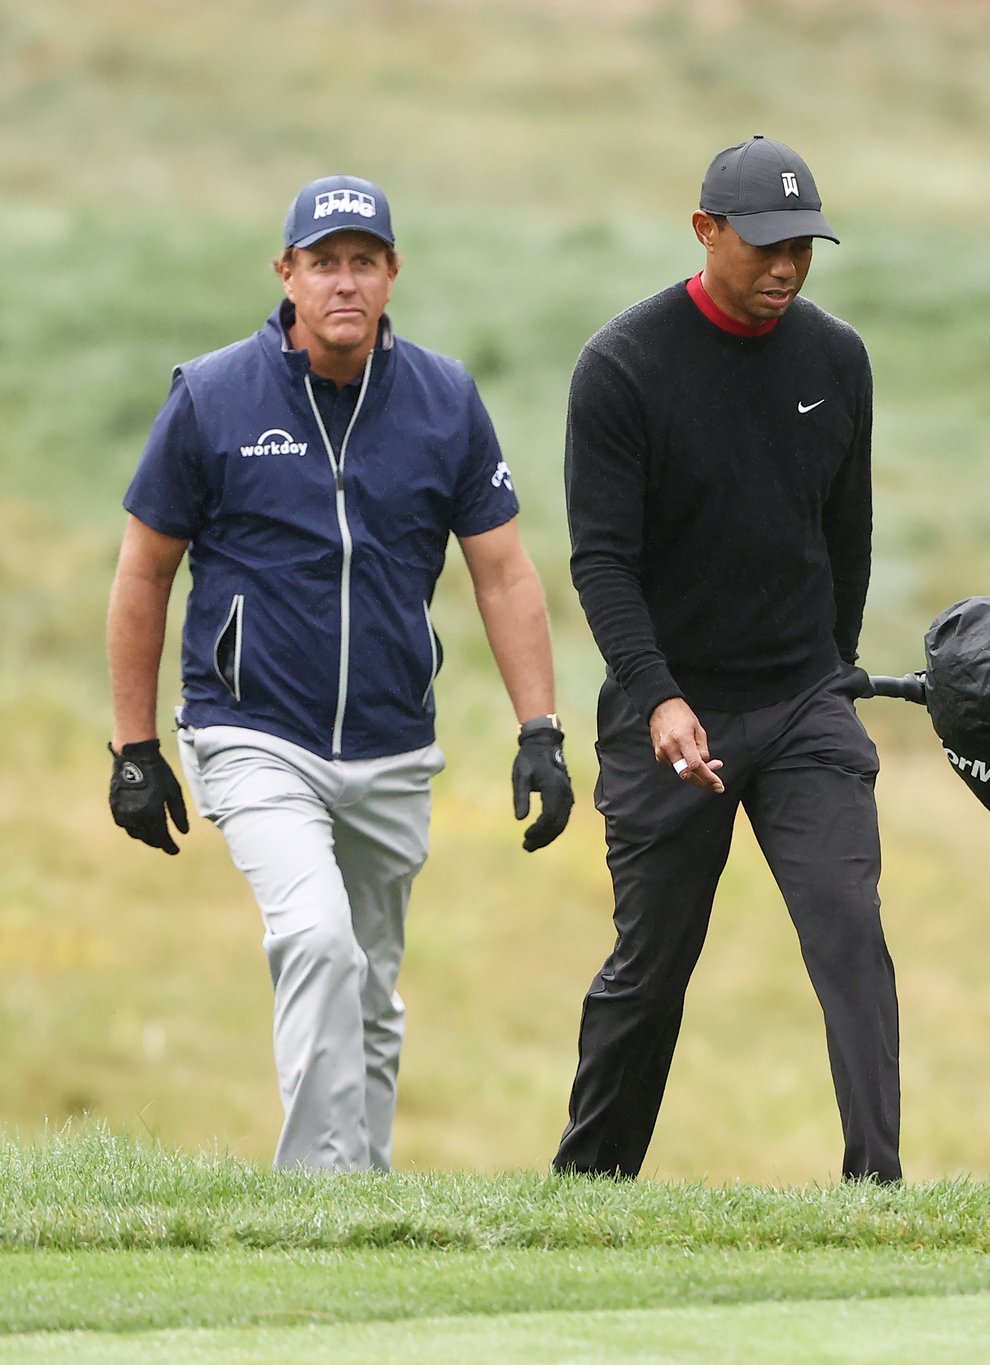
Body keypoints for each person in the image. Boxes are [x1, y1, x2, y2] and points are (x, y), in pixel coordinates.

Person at [105, 174, 573, 1172]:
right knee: (316, 939)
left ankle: (358, 1196)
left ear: (393, 275)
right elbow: (143, 572)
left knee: (367, 986)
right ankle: (315, 1200)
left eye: (364, 262)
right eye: (324, 264)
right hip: (252, 730)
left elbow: (503, 572)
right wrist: (135, 747)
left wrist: (540, 731)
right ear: (287, 275)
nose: (344, 284)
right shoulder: (213, 396)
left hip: (392, 742)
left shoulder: (444, 401)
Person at [551, 135, 900, 1183]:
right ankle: (587, 1192)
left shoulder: (834, 360)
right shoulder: (623, 367)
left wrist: (831, 675)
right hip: (670, 710)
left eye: (801, 245)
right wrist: (656, 698)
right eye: (762, 246)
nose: (784, 267)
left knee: (849, 933)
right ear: (705, 232)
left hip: (800, 704)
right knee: (650, 974)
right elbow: (601, 562)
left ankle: (874, 1190)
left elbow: (848, 536)